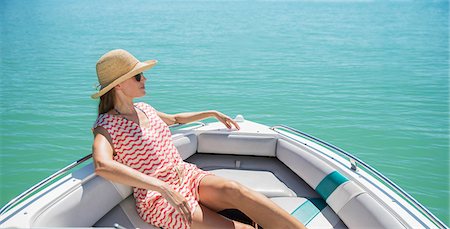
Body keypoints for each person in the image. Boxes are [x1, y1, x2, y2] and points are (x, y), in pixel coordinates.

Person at [91, 49, 307, 229]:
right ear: (118, 85)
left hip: (187, 176)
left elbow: (175, 119)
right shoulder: (107, 125)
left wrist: (211, 113)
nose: (144, 79)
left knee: (238, 190)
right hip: (158, 198)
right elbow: (102, 165)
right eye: (138, 76)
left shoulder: (144, 109)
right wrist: (162, 187)